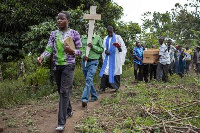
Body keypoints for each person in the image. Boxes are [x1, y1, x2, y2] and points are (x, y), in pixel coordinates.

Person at [37, 11, 82, 131]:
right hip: (56, 65)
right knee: (61, 90)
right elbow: (48, 48)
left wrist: (72, 51)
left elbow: (80, 51)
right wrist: (42, 57)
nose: (59, 21)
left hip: (69, 65)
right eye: (58, 19)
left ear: (68, 20)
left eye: (62, 19)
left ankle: (61, 123)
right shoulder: (53, 34)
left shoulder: (74, 33)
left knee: (64, 91)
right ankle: (69, 110)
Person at [81, 24, 104, 107]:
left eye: (91, 28)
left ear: (94, 29)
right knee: (89, 80)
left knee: (88, 79)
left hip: (93, 62)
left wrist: (93, 47)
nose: (89, 29)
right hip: (85, 63)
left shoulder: (97, 38)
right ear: (86, 29)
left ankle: (84, 99)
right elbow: (81, 49)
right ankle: (94, 96)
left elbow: (101, 49)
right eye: (87, 28)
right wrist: (82, 56)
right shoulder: (83, 38)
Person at [99, 26, 127, 93]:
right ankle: (102, 88)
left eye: (110, 32)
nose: (110, 34)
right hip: (108, 58)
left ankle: (116, 87)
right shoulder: (106, 38)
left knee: (116, 72)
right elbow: (104, 47)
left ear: (113, 30)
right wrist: (105, 51)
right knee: (105, 71)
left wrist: (118, 47)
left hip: (116, 58)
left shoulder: (118, 37)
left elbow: (123, 49)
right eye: (108, 32)